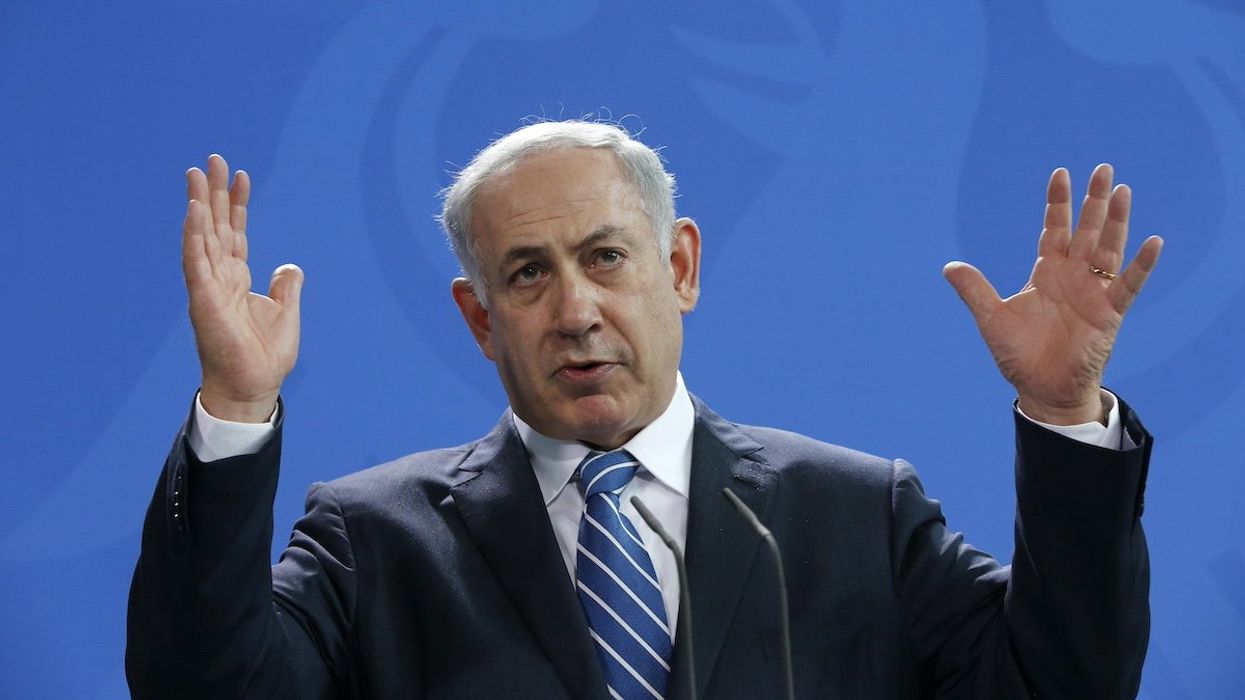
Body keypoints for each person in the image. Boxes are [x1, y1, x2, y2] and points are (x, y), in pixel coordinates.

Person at [127, 121, 1162, 699]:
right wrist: (236, 402)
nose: (575, 309)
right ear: (480, 320)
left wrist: (1064, 411)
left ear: (680, 267)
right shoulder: (373, 540)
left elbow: (1059, 688)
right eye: (527, 275)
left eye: (606, 257)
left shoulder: (855, 514)